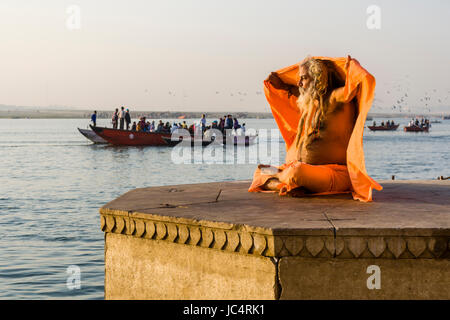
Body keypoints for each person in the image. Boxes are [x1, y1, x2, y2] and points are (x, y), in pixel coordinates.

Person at [248, 56, 382, 202]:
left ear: (318, 79)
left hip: (333, 174)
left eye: (304, 78)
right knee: (261, 170)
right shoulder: (314, 99)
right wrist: (284, 86)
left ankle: (286, 180)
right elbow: (298, 91)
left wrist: (353, 67)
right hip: (304, 170)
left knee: (297, 172)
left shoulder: (333, 98)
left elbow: (351, 90)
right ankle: (287, 186)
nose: (299, 83)